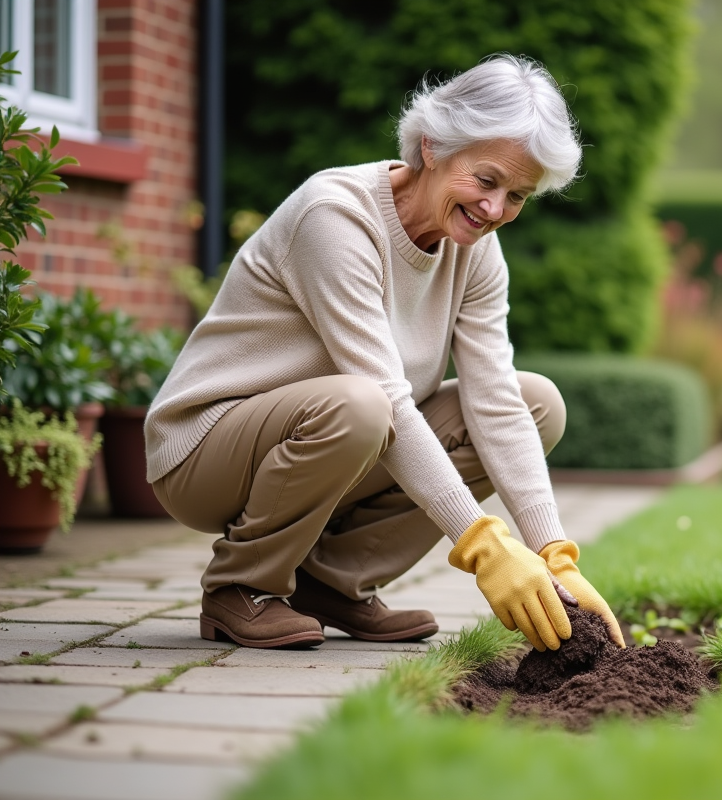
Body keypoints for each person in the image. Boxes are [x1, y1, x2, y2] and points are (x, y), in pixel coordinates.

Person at [145, 55, 624, 652]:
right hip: (205, 449)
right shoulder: (337, 215)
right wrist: (486, 548)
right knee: (364, 404)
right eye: (486, 180)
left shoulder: (475, 251)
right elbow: (389, 401)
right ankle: (239, 586)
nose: (496, 210)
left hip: (332, 434)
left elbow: (495, 399)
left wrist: (554, 552)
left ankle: (328, 583)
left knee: (535, 404)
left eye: (518, 195)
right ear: (432, 147)